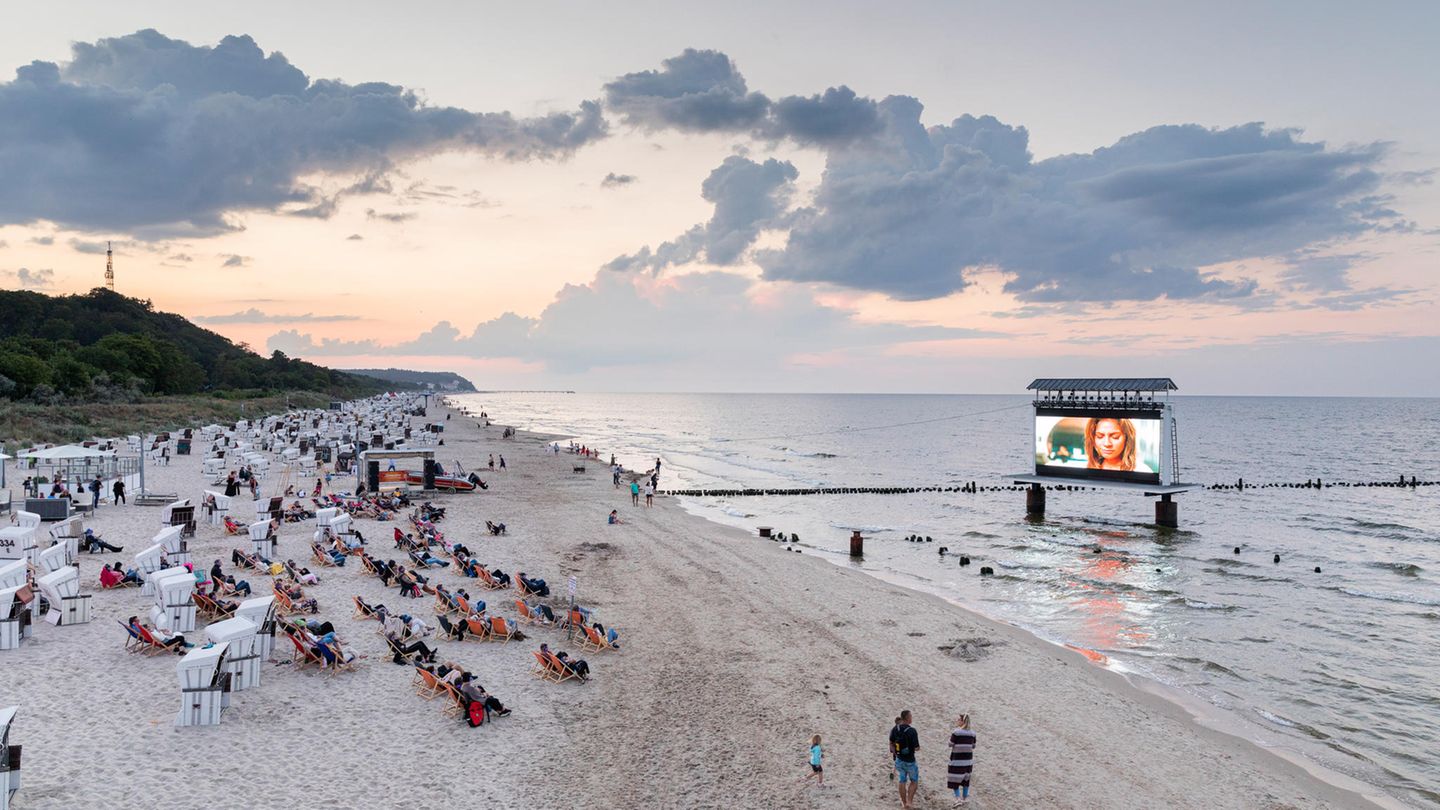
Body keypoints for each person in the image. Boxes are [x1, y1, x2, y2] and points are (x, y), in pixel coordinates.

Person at [1084, 417, 1153, 473]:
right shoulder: (1084, 467)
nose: (1107, 443)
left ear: (1127, 439)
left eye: (1115, 437)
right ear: (1092, 439)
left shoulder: (1143, 470)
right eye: (1100, 436)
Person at [890, 709, 921, 809]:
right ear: (908, 718)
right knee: (914, 781)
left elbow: (891, 742)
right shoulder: (912, 731)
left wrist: (895, 752)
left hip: (899, 759)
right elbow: (917, 747)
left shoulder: (895, 729)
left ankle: (904, 803)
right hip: (910, 761)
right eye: (911, 716)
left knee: (902, 780)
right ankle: (909, 802)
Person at [947, 713, 976, 807]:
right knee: (965, 780)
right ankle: (965, 797)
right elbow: (973, 746)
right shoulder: (973, 733)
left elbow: (950, 744)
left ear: (963, 721)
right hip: (968, 761)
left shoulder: (956, 732)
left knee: (954, 780)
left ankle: (958, 798)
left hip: (957, 760)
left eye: (959, 720)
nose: (957, 721)